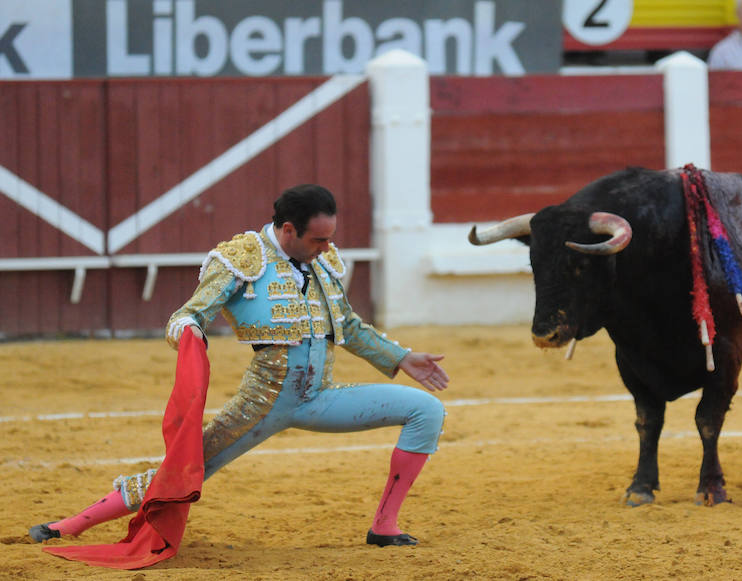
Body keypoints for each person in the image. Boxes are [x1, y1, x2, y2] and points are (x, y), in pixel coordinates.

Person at [29, 184, 449, 548]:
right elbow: (186, 314)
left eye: (328, 239)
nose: (326, 248)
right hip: (262, 404)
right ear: (289, 229)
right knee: (183, 471)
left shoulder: (321, 264)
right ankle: (72, 523)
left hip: (319, 396)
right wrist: (190, 334)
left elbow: (349, 328)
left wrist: (401, 357)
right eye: (318, 239)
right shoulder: (243, 260)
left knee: (426, 411)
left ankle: (384, 526)